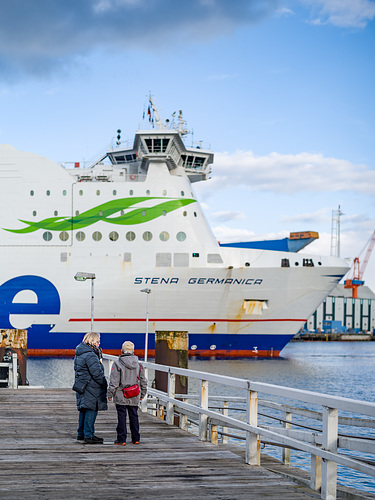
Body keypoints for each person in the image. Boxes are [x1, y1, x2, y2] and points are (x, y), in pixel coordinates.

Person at [107, 341, 147, 445]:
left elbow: (114, 382)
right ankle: (136, 438)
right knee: (134, 416)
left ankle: (122, 439)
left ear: (122, 350)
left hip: (121, 394)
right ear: (133, 351)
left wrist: (110, 394)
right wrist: (142, 394)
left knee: (121, 416)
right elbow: (143, 381)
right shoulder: (138, 365)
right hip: (134, 395)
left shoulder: (117, 363)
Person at [73, 332, 108, 444]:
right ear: (92, 342)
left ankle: (81, 433)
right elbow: (96, 373)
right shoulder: (91, 355)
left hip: (82, 384)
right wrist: (104, 383)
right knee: (91, 409)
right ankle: (89, 435)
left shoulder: (79, 353)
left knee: (83, 409)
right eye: (97, 341)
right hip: (91, 386)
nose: (99, 344)